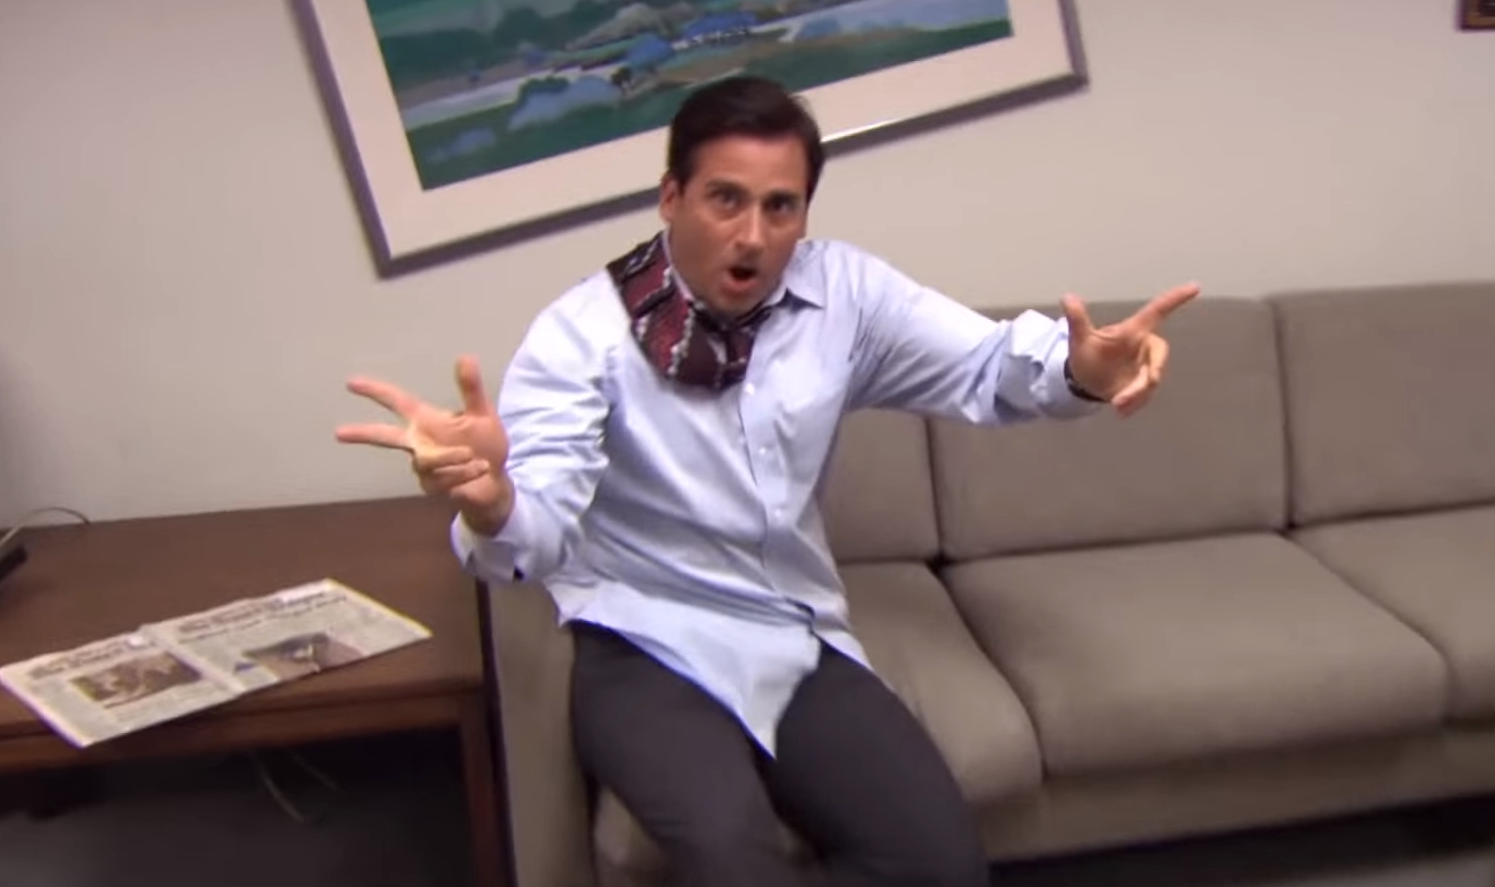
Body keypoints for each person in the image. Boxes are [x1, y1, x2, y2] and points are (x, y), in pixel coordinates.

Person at [337, 75, 1199, 887]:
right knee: (732, 861)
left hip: (791, 628)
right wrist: (494, 504)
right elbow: (537, 533)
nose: (752, 234)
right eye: (725, 199)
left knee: (940, 866)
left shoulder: (845, 296)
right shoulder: (580, 337)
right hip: (643, 639)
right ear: (671, 198)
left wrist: (1079, 371)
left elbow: (985, 364)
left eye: (779, 206)